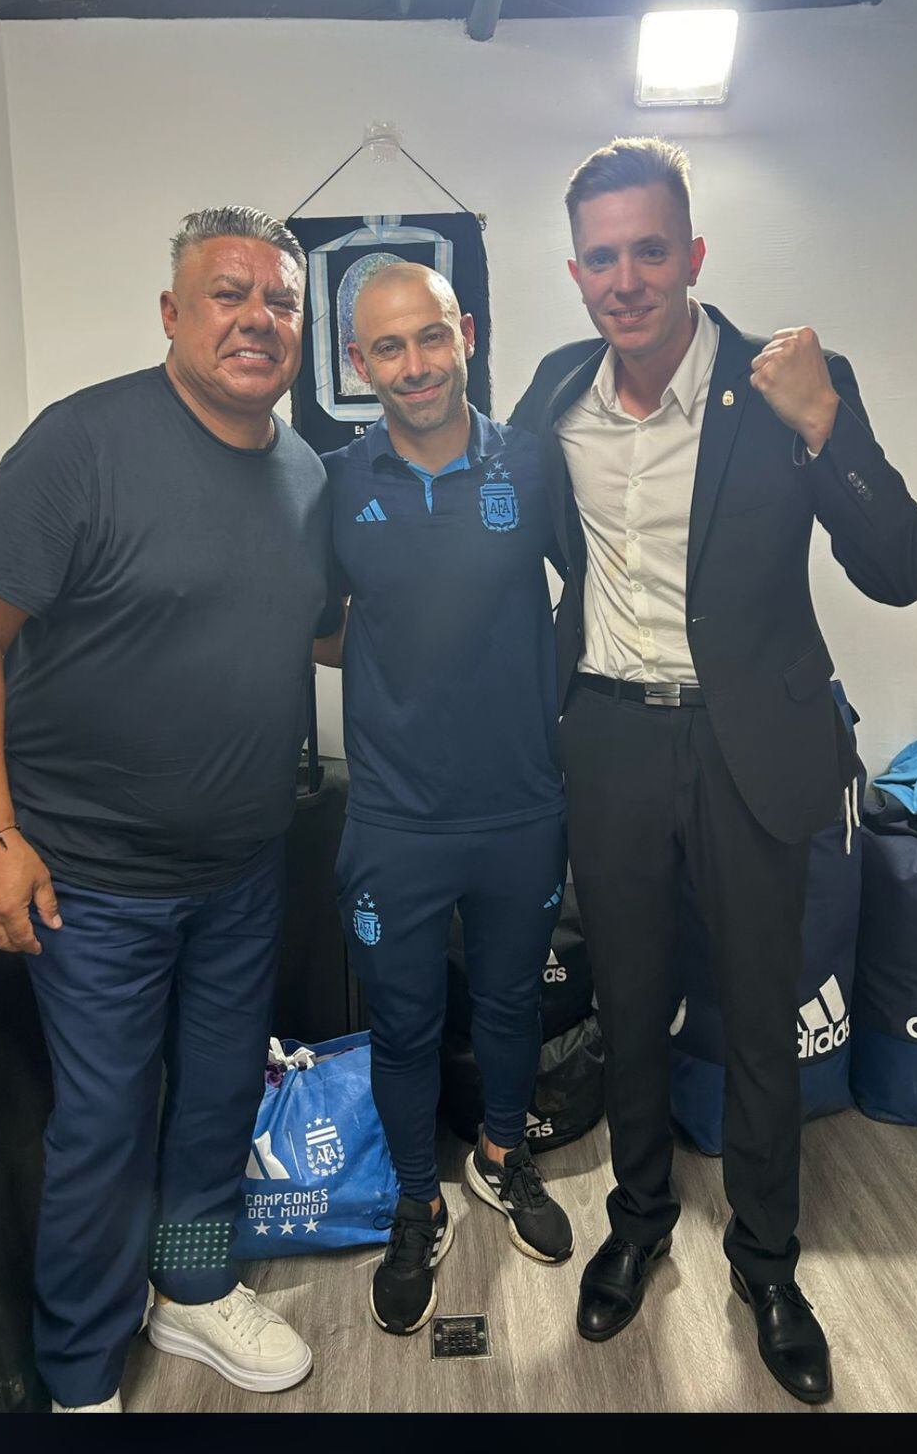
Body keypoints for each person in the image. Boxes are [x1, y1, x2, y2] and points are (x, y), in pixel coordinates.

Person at [511, 138, 917, 1403]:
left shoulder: (792, 382)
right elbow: (526, 548)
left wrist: (830, 426)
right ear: (576, 271)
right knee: (631, 1002)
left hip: (753, 744)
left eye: (652, 250)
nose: (627, 277)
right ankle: (639, 1222)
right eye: (603, 256)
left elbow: (901, 564)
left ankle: (766, 1259)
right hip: (613, 741)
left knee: (759, 1013)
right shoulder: (551, 393)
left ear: (693, 256)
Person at [0, 207, 341, 1412]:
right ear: (172, 312)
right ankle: (82, 1374)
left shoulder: (306, 470)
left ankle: (194, 1289)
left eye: (278, 300)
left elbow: (317, 630)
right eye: (227, 293)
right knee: (103, 1131)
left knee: (215, 1100)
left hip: (245, 864)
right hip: (90, 879)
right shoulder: (81, 445)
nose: (256, 316)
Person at [315, 263, 573, 1337]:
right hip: (394, 818)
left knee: (516, 1005)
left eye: (431, 338)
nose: (414, 365)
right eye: (388, 348)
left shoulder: (536, 461)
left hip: (522, 804)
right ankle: (418, 1200)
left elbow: (604, 588)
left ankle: (502, 1160)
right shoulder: (331, 482)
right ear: (356, 364)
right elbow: (312, 623)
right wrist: (400, 661)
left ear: (465, 332)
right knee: (406, 1024)